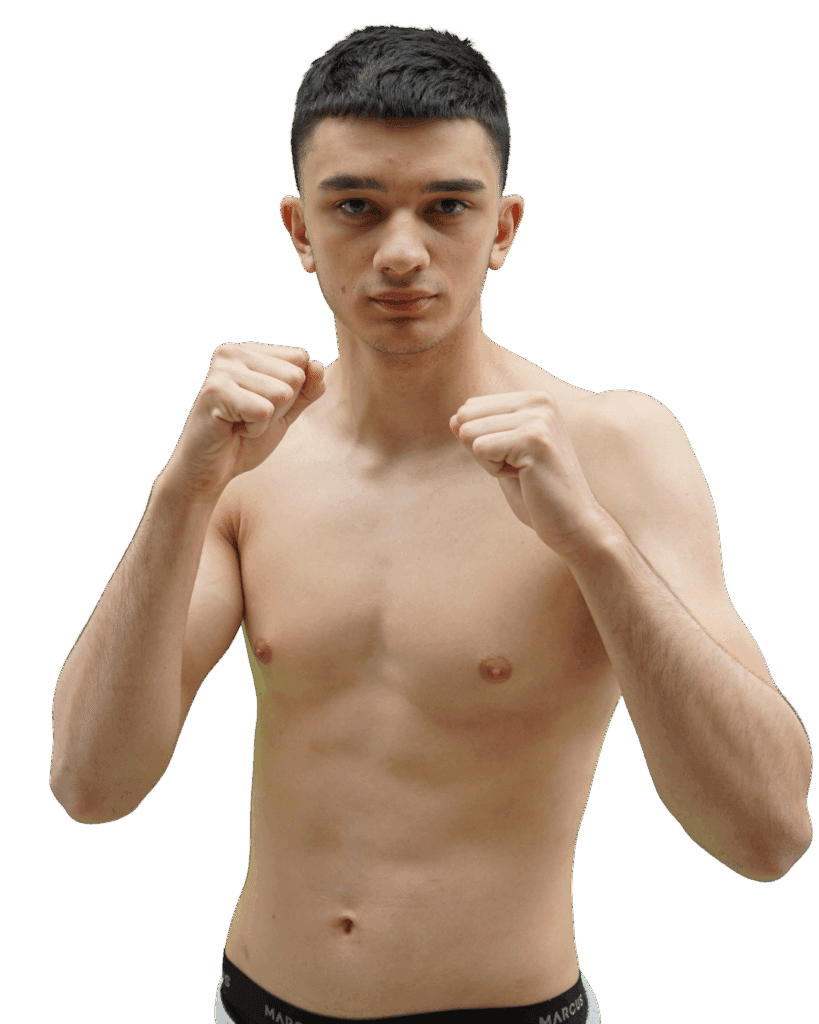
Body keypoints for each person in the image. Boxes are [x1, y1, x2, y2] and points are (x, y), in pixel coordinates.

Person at [49, 23, 812, 1024]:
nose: (402, 252)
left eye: (447, 206)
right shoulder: (248, 456)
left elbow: (767, 835)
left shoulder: (613, 444)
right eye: (356, 207)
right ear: (300, 231)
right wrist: (177, 494)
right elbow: (91, 784)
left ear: (503, 228)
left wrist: (591, 542)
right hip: (257, 1005)